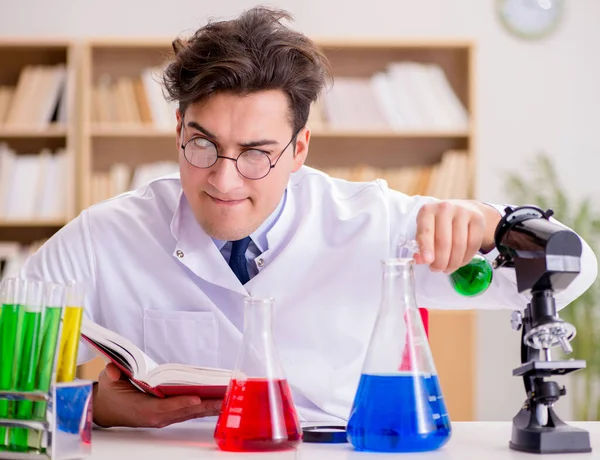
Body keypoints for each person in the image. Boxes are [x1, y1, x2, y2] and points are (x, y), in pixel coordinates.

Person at [21, 6, 597, 429]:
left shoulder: (373, 223)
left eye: (256, 154)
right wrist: (89, 403)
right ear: (178, 130)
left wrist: (492, 222)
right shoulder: (107, 234)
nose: (223, 180)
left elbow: (574, 273)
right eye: (202, 145)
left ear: (299, 149)